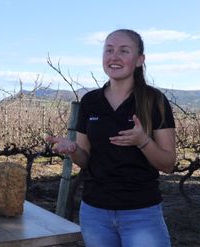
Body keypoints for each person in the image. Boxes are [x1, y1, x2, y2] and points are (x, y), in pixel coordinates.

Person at [47, 29, 176, 247]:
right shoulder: (90, 101)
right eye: (109, 50)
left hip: (141, 213)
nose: (114, 56)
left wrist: (143, 141)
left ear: (139, 60)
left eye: (124, 51)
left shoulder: (154, 100)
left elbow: (168, 164)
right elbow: (85, 160)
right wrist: (73, 150)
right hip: (95, 213)